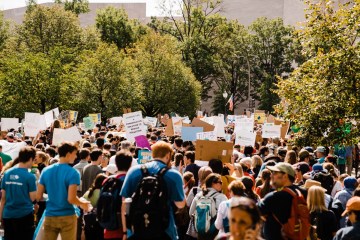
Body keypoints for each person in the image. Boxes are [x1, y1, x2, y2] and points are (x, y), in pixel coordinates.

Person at [120, 141, 186, 240]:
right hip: (164, 230)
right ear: (168, 155)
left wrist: (125, 232)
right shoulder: (174, 175)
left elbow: (124, 203)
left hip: (136, 230)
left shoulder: (133, 171)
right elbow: (180, 204)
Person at [36, 142, 91, 240]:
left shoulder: (46, 170)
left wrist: (54, 197)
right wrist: (83, 203)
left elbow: (38, 196)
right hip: (67, 216)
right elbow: (71, 199)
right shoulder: (73, 172)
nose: (76, 156)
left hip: (50, 215)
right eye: (75, 154)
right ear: (69, 154)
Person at [257, 162, 308, 239]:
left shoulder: (274, 196)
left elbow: (255, 211)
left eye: (274, 173)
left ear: (285, 176)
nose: (271, 175)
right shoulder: (302, 192)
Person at [0, 146, 37, 239]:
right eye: (34, 160)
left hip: (8, 215)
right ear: (30, 159)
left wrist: (1, 216)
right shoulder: (30, 176)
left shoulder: (7, 173)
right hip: (24, 215)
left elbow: (3, 198)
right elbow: (33, 198)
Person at [189, 173, 228, 240]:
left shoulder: (199, 195)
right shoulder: (222, 197)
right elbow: (226, 215)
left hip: (200, 232)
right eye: (220, 182)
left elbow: (191, 213)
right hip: (215, 232)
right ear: (213, 183)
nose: (222, 184)